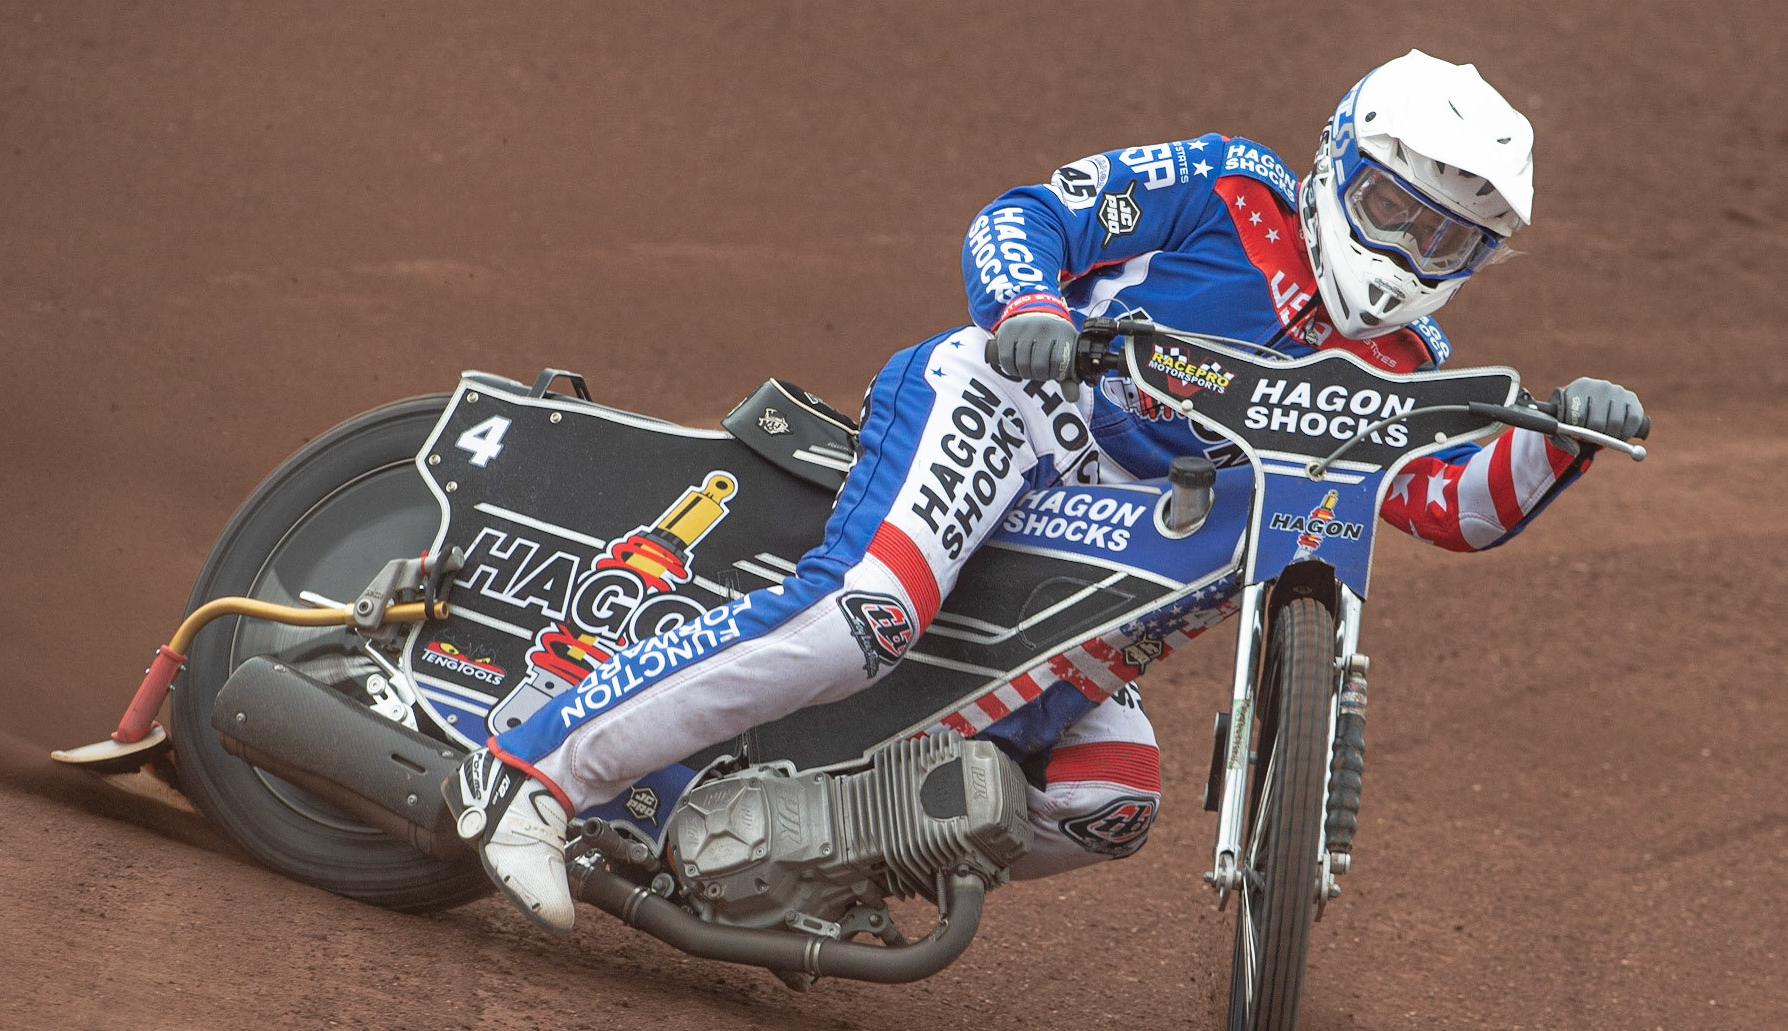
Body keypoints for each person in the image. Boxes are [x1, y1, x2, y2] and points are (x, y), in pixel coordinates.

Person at [445, 49, 1648, 933]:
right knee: (864, 615)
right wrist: (1029, 311)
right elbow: (1022, 216)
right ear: (1339, 165)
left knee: (1109, 798)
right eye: (1392, 211)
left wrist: (1561, 438)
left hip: (1122, 533)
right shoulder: (1228, 187)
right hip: (1018, 408)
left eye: (1444, 244)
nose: (1405, 256)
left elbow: (1451, 505)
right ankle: (532, 769)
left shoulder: (1407, 369)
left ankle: (797, 860)